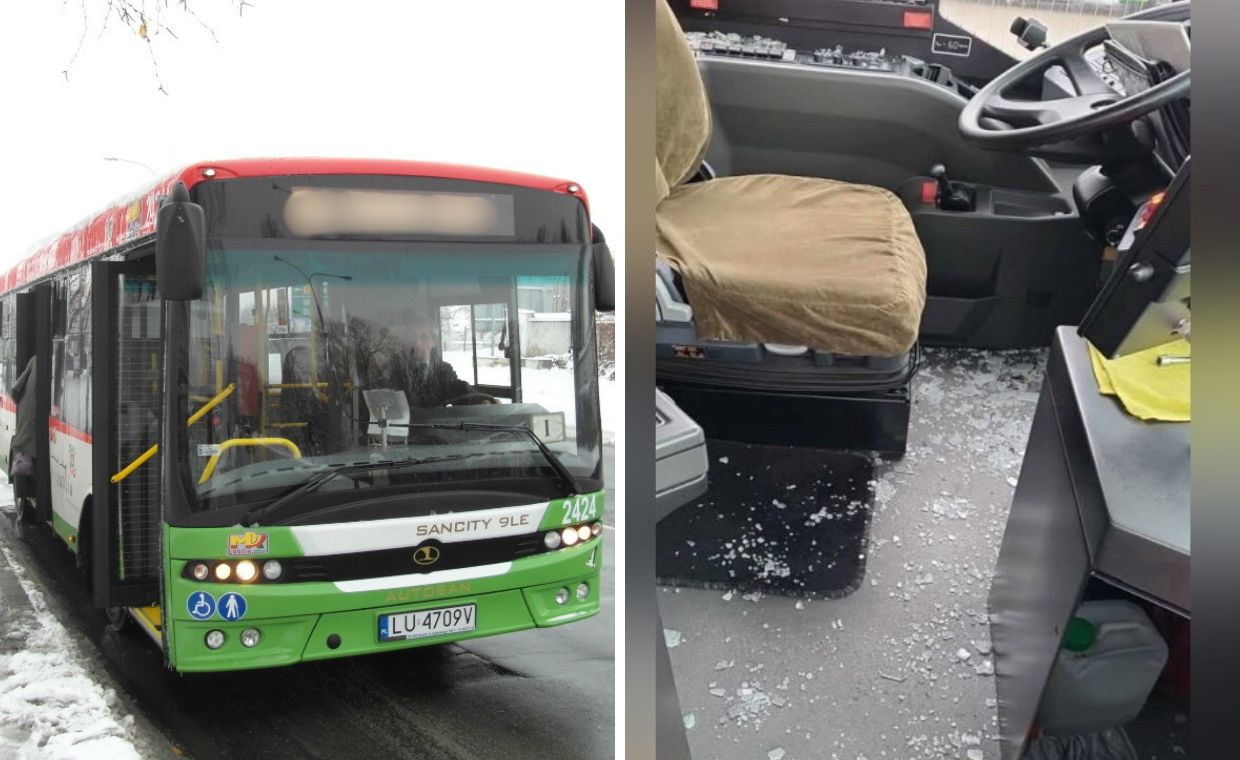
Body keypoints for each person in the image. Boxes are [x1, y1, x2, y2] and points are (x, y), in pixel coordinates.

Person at [383, 317, 496, 408]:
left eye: (424, 337)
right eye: (413, 337)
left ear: (434, 342)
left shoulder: (443, 370)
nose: (417, 343)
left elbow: (459, 390)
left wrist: (482, 400)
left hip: (435, 430)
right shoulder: (394, 368)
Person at [10, 355, 37, 480]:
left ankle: (26, 490)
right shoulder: (56, 358)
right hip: (35, 425)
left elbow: (15, 389)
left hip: (26, 421)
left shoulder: (34, 360)